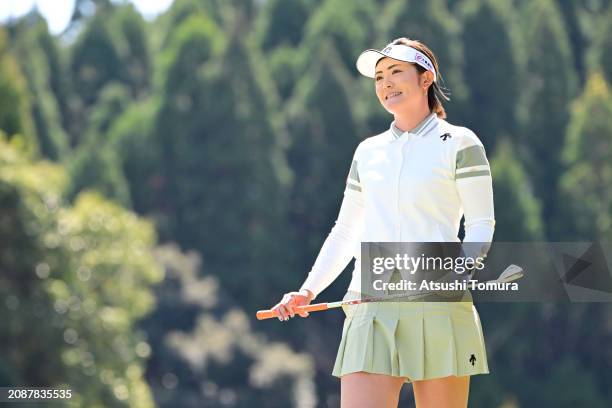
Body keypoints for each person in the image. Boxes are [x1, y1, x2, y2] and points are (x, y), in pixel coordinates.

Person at [271, 37, 495, 408]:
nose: (385, 83)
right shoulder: (368, 152)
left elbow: (481, 225)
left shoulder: (460, 143)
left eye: (395, 72)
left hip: (439, 306)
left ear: (427, 79)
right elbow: (345, 231)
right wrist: (308, 290)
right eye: (378, 77)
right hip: (369, 305)